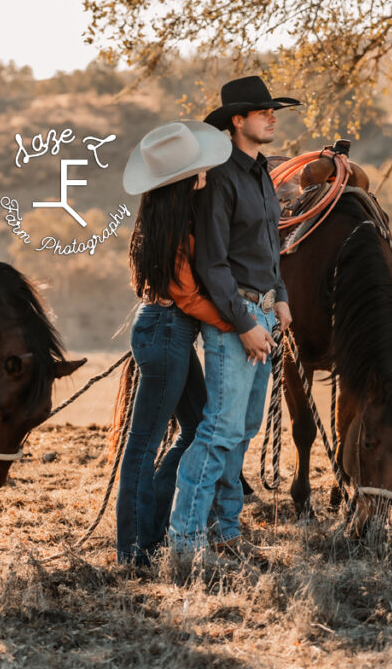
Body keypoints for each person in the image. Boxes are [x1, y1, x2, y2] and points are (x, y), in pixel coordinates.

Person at [169, 75, 301, 556]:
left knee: (243, 430)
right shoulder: (222, 176)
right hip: (237, 315)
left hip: (264, 311)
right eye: (263, 112)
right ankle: (184, 544)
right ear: (237, 121)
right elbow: (213, 262)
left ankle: (225, 532)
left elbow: (270, 248)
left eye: (274, 111)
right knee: (219, 431)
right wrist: (245, 324)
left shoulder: (262, 174)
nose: (272, 117)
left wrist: (281, 297)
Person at [115, 120, 232, 566]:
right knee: (145, 442)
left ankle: (151, 532)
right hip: (167, 330)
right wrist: (235, 323)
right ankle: (133, 551)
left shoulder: (162, 219)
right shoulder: (175, 226)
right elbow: (186, 294)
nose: (205, 174)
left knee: (199, 425)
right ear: (185, 179)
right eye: (198, 169)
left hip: (164, 330)